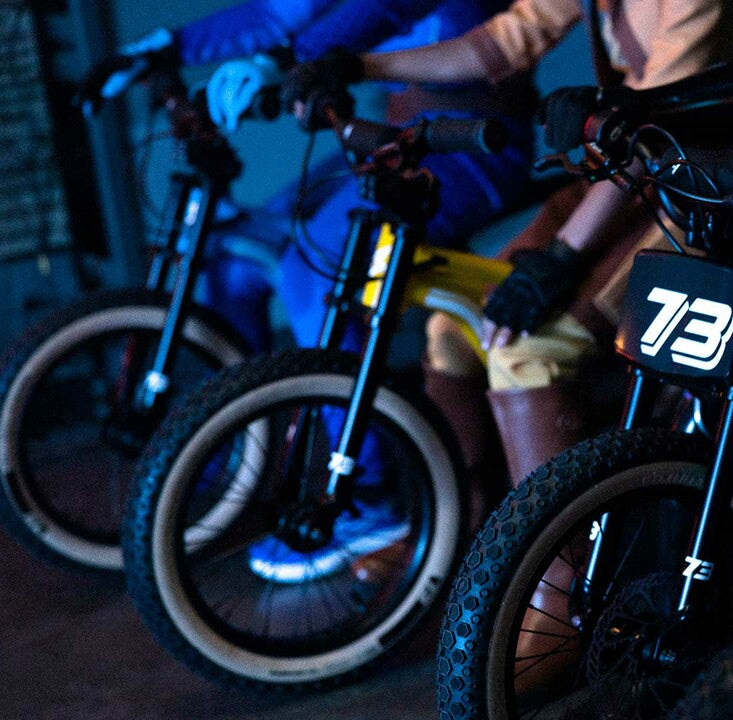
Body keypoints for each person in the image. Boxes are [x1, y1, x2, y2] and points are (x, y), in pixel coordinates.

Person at [79, 0, 534, 583]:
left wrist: (285, 61)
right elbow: (282, 11)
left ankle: (370, 499)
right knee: (234, 258)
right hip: (393, 139)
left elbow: (383, 9)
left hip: (470, 148)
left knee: (310, 273)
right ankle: (238, 453)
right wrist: (166, 46)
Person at [284, 0, 733, 495]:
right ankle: (471, 548)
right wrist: (361, 64)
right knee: (455, 329)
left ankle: (554, 574)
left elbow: (655, 129)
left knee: (530, 350)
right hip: (623, 173)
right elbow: (505, 41)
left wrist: (562, 257)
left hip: (708, 186)